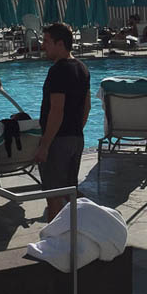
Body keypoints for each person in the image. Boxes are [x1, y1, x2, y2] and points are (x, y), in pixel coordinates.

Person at [35, 22, 90, 220]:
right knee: (69, 191)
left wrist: (45, 145)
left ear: (60, 44)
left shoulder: (58, 71)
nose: (43, 46)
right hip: (76, 138)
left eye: (47, 41)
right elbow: (87, 107)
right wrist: (75, 130)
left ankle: (55, 241)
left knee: (54, 197)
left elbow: (56, 111)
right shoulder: (82, 68)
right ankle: (73, 236)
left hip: (58, 141)